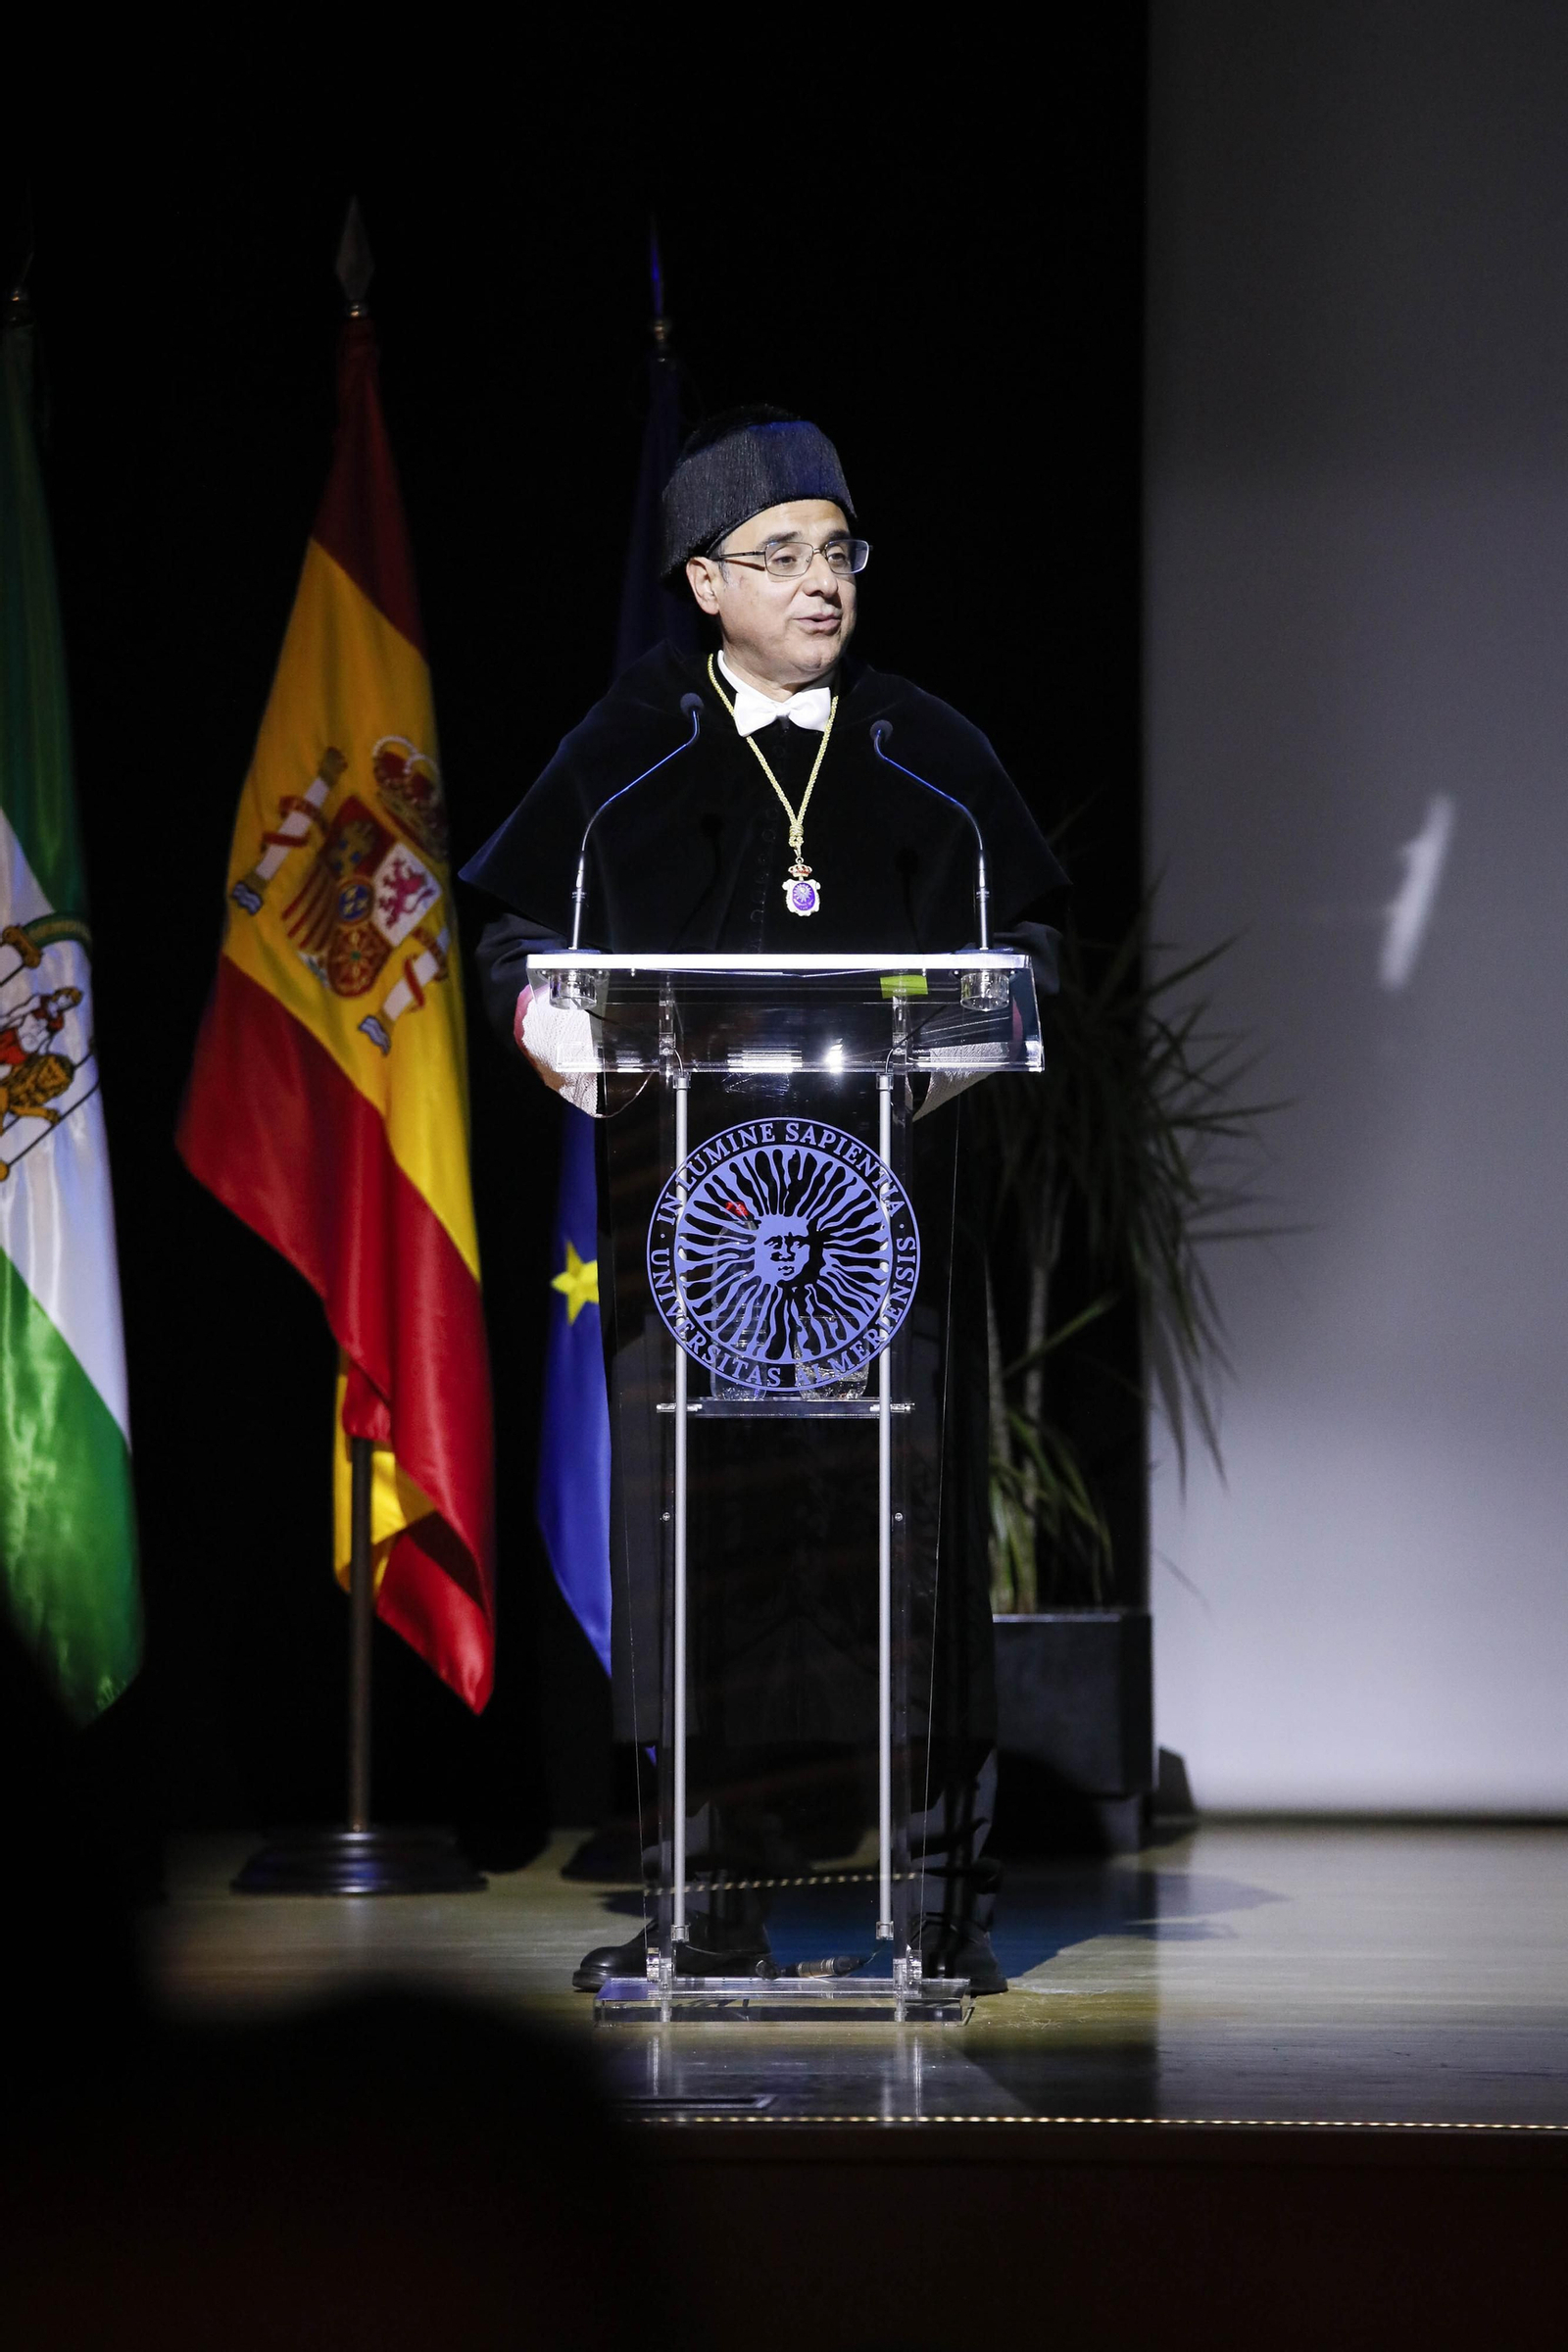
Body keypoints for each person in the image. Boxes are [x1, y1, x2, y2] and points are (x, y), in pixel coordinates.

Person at [463, 409, 1064, 1993]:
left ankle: (938, 1907)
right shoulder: (628, 746)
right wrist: (549, 1022)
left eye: (840, 553)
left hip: (891, 1238)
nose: (823, 586)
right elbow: (514, 940)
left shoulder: (926, 747)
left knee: (907, 1554)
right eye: (783, 558)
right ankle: (700, 1905)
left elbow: (1031, 957)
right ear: (704, 580)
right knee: (696, 1553)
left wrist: (970, 1042)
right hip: (693, 1235)